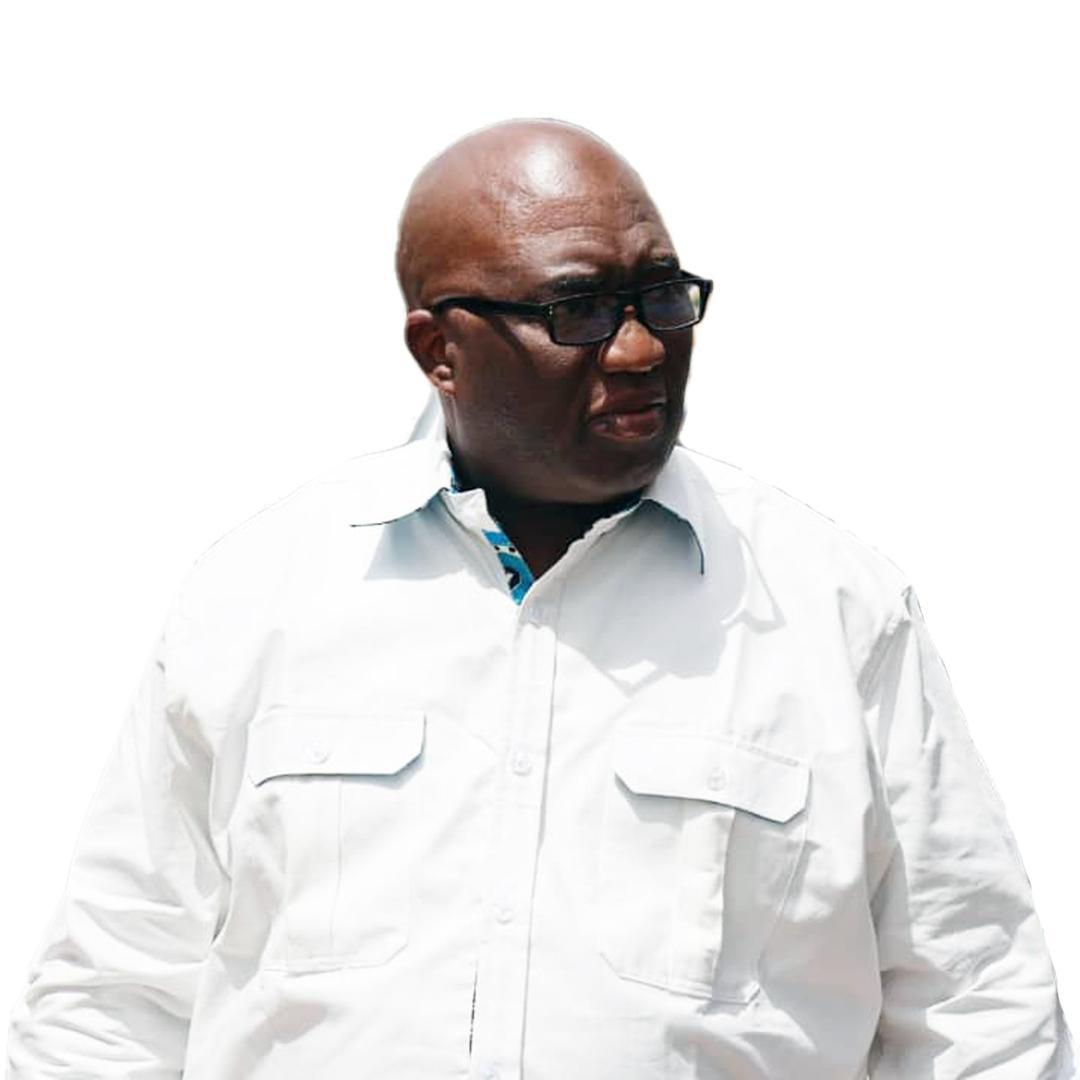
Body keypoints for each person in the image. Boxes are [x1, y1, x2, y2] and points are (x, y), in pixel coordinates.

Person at [6, 118, 1074, 1079]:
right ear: (440, 351)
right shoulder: (263, 592)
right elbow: (114, 995)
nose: (641, 348)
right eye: (578, 310)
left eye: (662, 296)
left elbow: (977, 1004)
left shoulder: (829, 608)